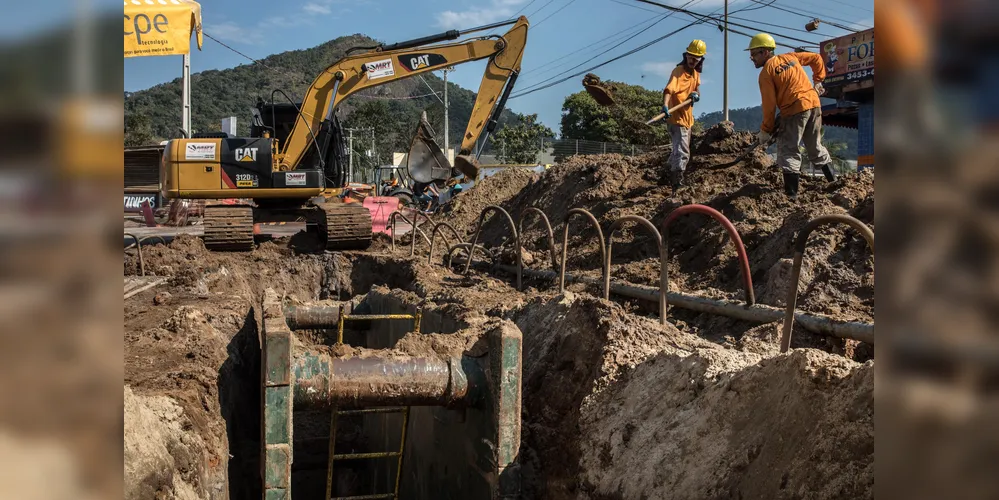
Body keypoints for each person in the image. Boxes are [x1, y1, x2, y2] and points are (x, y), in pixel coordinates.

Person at [747, 33, 836, 201]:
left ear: (766, 52)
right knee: (815, 147)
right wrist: (818, 81)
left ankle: (791, 197)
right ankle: (834, 183)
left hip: (794, 110)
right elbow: (816, 58)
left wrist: (765, 130)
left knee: (789, 150)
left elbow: (769, 106)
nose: (751, 58)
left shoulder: (766, 73)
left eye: (754, 54)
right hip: (813, 103)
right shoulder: (790, 57)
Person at [661, 39, 705, 192]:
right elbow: (668, 90)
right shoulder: (678, 72)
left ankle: (666, 174)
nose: (693, 60)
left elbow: (697, 90)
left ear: (700, 59)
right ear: (686, 55)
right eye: (691, 57)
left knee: (678, 150)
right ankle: (677, 184)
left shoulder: (695, 74)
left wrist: (696, 95)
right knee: (682, 152)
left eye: (696, 58)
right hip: (677, 118)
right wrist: (665, 105)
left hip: (688, 119)